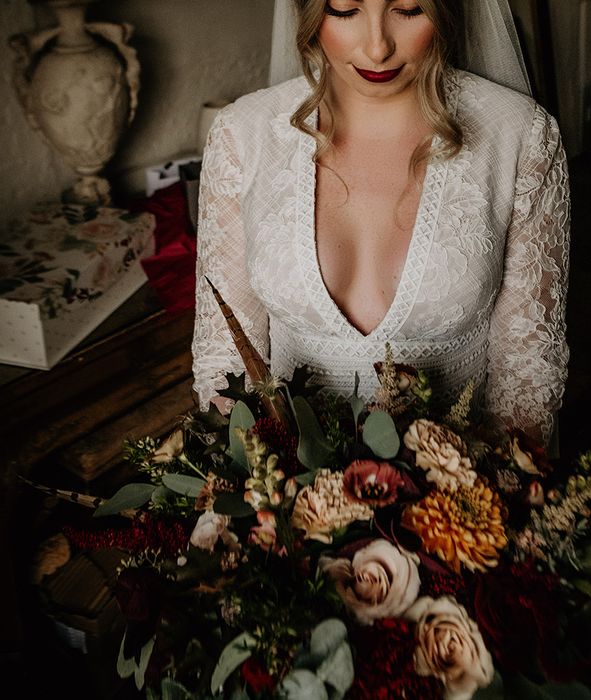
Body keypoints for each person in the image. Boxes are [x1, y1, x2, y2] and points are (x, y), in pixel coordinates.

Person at [191, 0, 570, 449]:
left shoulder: (521, 135)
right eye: (345, 9)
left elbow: (526, 374)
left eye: (408, 9)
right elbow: (226, 359)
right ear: (309, 12)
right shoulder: (241, 134)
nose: (377, 48)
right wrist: (256, 488)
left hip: (462, 491)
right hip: (280, 491)